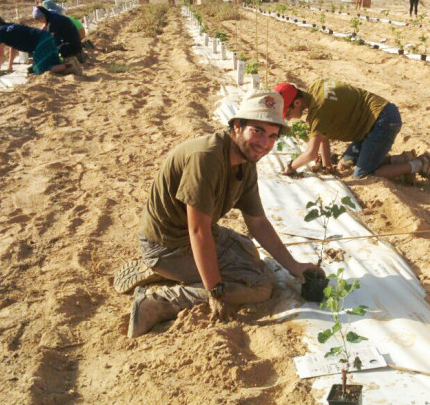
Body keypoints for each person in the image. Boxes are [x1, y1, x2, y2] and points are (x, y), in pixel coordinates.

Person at [113, 90, 324, 338]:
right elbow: (198, 231)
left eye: (272, 136)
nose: (264, 144)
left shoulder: (246, 161)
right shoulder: (206, 158)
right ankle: (156, 302)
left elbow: (257, 222)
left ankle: (170, 272)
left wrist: (295, 267)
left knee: (249, 251)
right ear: (236, 126)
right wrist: (215, 291)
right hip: (167, 245)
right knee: (258, 287)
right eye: (257, 131)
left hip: (190, 237)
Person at [274, 81, 430, 189]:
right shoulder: (316, 88)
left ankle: (419, 164)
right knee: (345, 163)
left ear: (297, 103)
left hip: (382, 122)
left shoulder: (318, 113)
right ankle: (401, 160)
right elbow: (324, 138)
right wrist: (328, 167)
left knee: (363, 174)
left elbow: (311, 154)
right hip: (373, 121)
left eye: (286, 113)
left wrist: (291, 167)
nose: (287, 118)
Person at [0, 13, 74, 76]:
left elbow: (0, 55)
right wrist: (9, 66)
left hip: (41, 42)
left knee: (40, 70)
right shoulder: (9, 26)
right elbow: (12, 49)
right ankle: (65, 65)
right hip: (47, 36)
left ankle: (69, 66)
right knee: (51, 62)